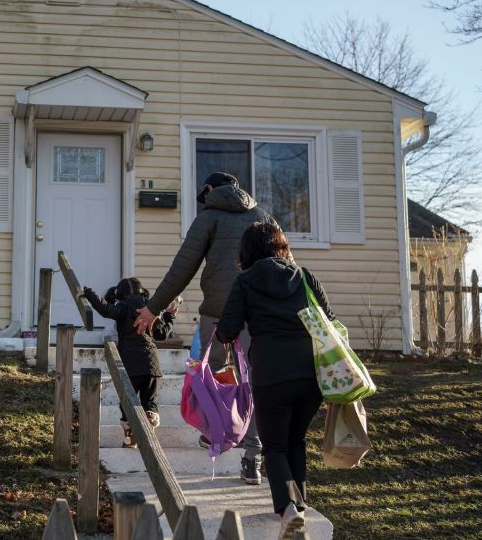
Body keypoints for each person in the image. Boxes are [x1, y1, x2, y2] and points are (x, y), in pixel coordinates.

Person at [133, 172, 274, 483]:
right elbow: (284, 263)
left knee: (210, 375)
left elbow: (183, 266)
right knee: (253, 380)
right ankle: (253, 458)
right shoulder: (263, 216)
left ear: (210, 189)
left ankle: (215, 433)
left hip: (218, 313)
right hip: (257, 314)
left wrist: (153, 308)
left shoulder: (209, 217)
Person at [215, 222, 333, 539]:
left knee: (275, 446)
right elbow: (331, 322)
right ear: (281, 245)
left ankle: (289, 510)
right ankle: (299, 505)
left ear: (247, 251)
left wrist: (225, 337)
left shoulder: (245, 282)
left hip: (271, 374)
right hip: (312, 375)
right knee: (296, 440)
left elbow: (227, 327)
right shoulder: (306, 277)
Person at [79, 277, 177, 447]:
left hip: (131, 363)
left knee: (127, 402)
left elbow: (104, 309)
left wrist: (88, 292)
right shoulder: (150, 307)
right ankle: (150, 416)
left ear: (121, 294)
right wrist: (169, 316)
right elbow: (162, 334)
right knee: (149, 401)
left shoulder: (123, 307)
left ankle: (130, 434)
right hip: (151, 363)